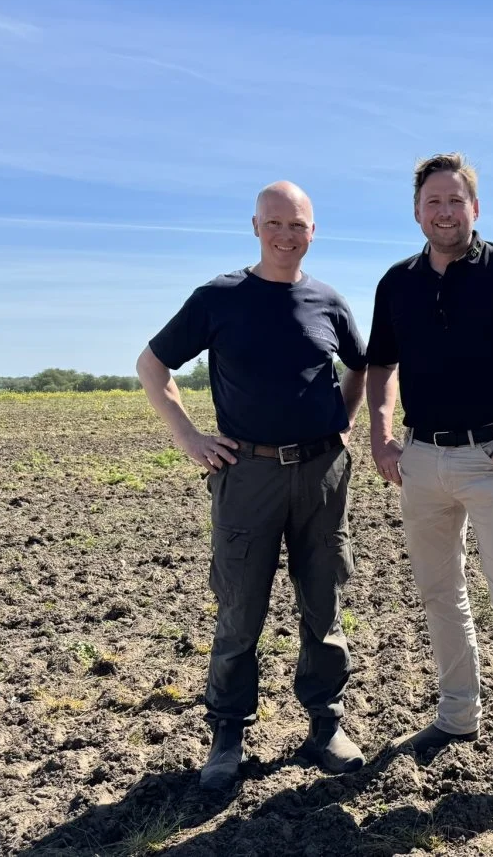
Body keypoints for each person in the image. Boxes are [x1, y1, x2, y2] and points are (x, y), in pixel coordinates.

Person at [136, 181, 368, 791]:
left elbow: (362, 367)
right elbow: (152, 365)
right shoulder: (218, 298)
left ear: (313, 231)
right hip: (247, 475)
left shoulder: (329, 301)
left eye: (299, 225)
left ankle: (325, 722)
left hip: (322, 474)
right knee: (240, 609)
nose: (287, 235)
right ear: (256, 227)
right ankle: (228, 733)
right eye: (276, 224)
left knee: (324, 603)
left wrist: (342, 422)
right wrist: (190, 439)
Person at [365, 153, 493, 816]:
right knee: (439, 594)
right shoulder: (396, 282)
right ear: (417, 211)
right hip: (422, 461)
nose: (445, 212)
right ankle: (458, 714)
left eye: (456, 201)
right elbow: (380, 364)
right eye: (433, 202)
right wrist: (380, 431)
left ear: (474, 209)